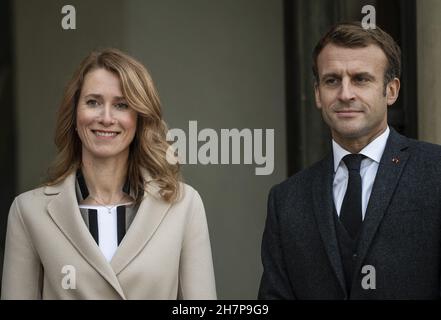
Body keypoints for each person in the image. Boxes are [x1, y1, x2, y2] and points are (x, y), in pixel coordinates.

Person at [1, 48, 216, 299]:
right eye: (93, 102)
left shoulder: (184, 206)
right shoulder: (28, 212)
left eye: (121, 105)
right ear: (74, 113)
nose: (105, 118)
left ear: (139, 117)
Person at [258, 22, 441, 299]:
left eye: (361, 79)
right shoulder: (286, 201)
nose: (345, 94)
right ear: (318, 93)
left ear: (391, 91)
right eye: (332, 80)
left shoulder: (435, 171)